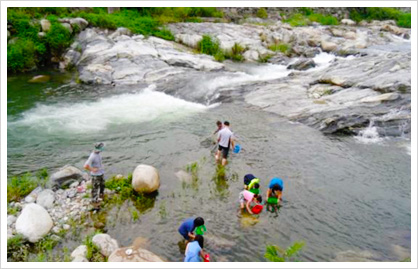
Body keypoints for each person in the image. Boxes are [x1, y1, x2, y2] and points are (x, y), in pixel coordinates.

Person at [84, 142, 105, 210]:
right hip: (95, 176)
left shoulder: (98, 154)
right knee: (95, 189)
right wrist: (92, 169)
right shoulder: (92, 156)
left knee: (102, 185)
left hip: (101, 173)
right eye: (102, 147)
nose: (103, 148)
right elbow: (85, 166)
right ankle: (94, 203)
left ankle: (101, 196)